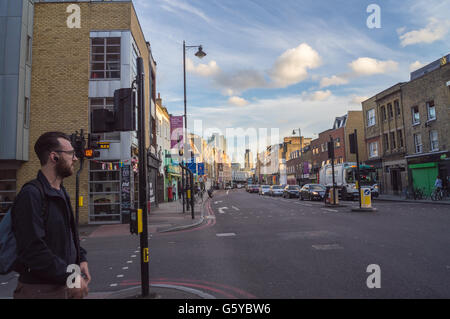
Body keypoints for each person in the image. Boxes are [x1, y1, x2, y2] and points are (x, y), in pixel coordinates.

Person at [12, 132, 90, 299]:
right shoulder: (31, 195)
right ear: (54, 157)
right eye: (70, 154)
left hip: (64, 284)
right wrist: (71, 277)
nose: (75, 159)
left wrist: (81, 259)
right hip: (40, 290)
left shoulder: (60, 192)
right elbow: (32, 250)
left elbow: (68, 237)